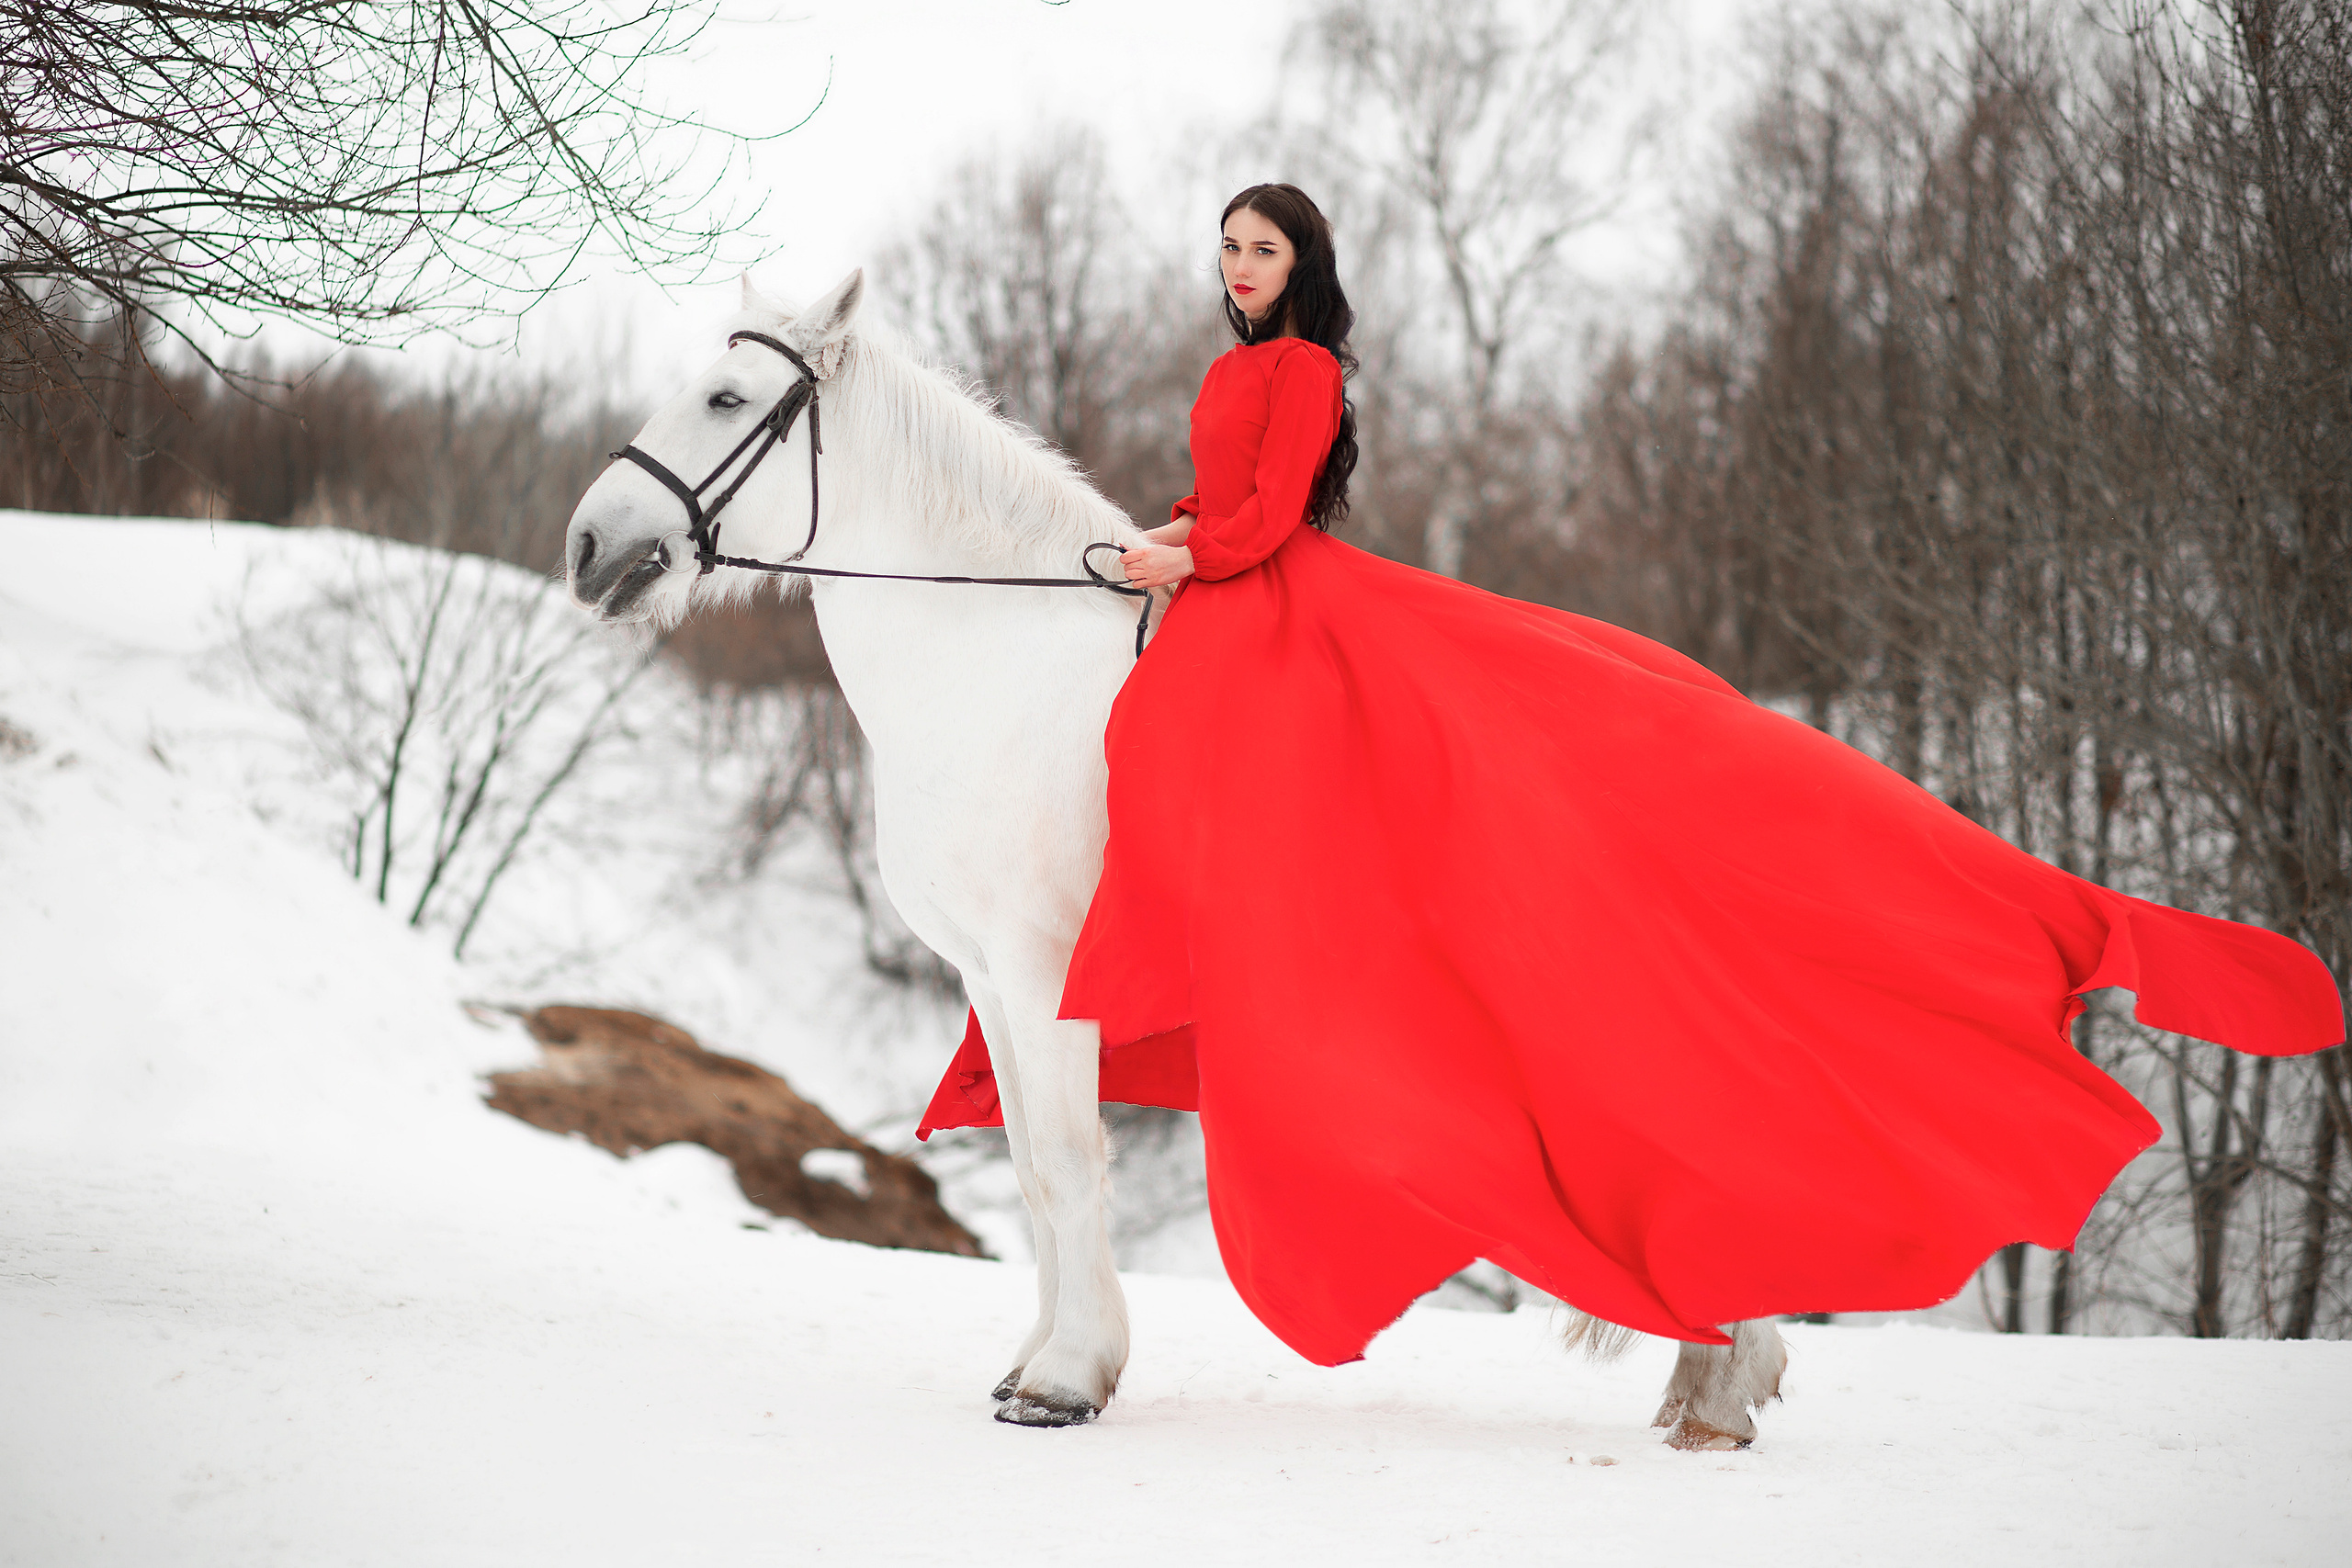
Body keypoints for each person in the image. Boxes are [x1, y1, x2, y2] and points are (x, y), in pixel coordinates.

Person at [921, 182, 2344, 1367]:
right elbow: (1222, 503)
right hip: (1220, 599)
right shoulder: (1228, 367)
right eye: (1229, 247)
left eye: (1265, 249)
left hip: (1284, 607)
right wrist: (1161, 540)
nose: (1239, 268)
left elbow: (1275, 517)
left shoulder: (1301, 369)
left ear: (1307, 270)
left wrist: (1195, 553)